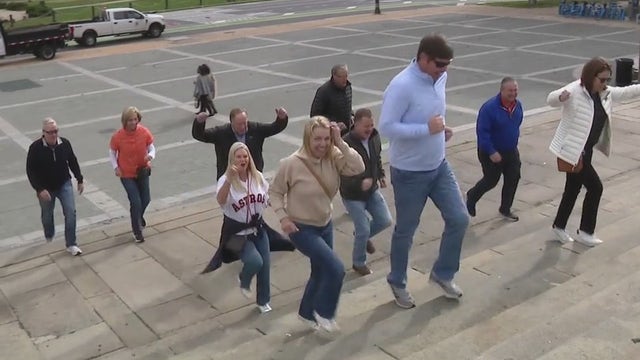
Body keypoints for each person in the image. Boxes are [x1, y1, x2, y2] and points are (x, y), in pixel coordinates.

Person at [379, 34, 469, 308]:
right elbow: (386, 127)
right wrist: (426, 130)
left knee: (460, 218)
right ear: (423, 59)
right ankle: (397, 280)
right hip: (409, 172)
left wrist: (443, 129)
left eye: (448, 64)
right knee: (406, 230)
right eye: (440, 64)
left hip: (438, 164)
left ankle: (443, 273)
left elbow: (433, 114)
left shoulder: (440, 77)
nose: (445, 69)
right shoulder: (401, 86)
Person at [270, 116, 365, 332]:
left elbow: (357, 167)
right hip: (300, 228)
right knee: (336, 269)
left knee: (320, 271)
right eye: (317, 139)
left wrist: (340, 142)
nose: (322, 144)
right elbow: (274, 192)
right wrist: (283, 218)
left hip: (325, 223)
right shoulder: (291, 164)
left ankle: (306, 313)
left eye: (325, 138)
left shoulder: (333, 155)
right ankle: (324, 313)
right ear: (307, 138)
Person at [547, 56, 640, 246]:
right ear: (591, 77)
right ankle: (586, 231)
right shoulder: (575, 90)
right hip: (572, 152)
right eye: (602, 80)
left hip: (585, 151)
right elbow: (551, 99)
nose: (605, 84)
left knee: (572, 189)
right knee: (595, 187)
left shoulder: (604, 93)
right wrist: (560, 97)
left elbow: (625, 92)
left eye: (608, 79)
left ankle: (559, 226)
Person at [202, 142, 293, 314]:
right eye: (239, 157)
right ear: (232, 159)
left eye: (245, 156)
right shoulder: (225, 180)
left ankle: (263, 301)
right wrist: (229, 179)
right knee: (254, 261)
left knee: (265, 265)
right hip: (236, 234)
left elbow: (269, 197)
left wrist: (284, 213)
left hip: (258, 229)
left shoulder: (257, 176)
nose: (242, 160)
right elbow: (221, 201)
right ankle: (244, 278)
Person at [340, 108, 392, 276]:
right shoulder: (345, 143)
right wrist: (360, 182)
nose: (369, 129)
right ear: (355, 124)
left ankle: (362, 236)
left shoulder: (374, 137)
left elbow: (376, 158)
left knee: (385, 220)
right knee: (363, 229)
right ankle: (359, 262)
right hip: (352, 195)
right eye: (365, 126)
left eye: (371, 125)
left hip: (372, 190)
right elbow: (340, 172)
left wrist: (380, 175)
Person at [466, 77, 523, 222]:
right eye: (510, 90)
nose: (513, 93)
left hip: (511, 150)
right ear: (502, 90)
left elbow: (516, 124)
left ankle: (505, 209)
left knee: (513, 178)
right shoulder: (489, 108)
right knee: (491, 180)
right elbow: (482, 132)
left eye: (515, 90)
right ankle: (472, 196)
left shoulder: (518, 106)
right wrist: (491, 151)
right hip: (491, 152)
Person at [26, 118, 84, 256]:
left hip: (64, 183)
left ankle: (71, 244)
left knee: (71, 212)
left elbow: (72, 161)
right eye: (50, 132)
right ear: (43, 133)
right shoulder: (35, 148)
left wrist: (79, 179)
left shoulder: (64, 143)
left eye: (55, 131)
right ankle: (49, 232)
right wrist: (39, 189)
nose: (53, 135)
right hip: (45, 188)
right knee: (47, 214)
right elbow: (31, 171)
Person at [192, 107, 288, 180]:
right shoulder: (221, 133)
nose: (243, 127)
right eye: (239, 124)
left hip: (253, 175)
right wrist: (199, 123)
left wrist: (281, 118)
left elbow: (274, 128)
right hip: (229, 178)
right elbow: (200, 135)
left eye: (245, 123)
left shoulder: (255, 129)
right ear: (231, 122)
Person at [109, 106, 156, 243]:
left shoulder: (144, 132)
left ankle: (138, 217)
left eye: (135, 119)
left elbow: (151, 146)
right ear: (125, 121)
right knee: (135, 202)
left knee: (146, 199)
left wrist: (151, 155)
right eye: (130, 120)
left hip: (142, 170)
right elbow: (112, 152)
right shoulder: (118, 136)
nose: (133, 123)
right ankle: (137, 231)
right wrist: (115, 167)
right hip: (126, 173)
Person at [310, 64, 353, 134]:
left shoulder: (348, 87)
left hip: (346, 133)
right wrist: (333, 124)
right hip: (330, 134)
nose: (344, 79)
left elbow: (348, 105)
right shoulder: (324, 91)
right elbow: (315, 115)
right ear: (334, 76)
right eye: (340, 77)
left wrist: (351, 115)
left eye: (346, 76)